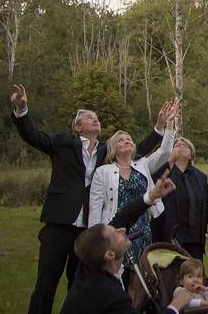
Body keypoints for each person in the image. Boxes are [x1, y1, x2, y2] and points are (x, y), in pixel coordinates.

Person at [10, 83, 168, 314]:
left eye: (96, 117)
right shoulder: (63, 143)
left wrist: (160, 126)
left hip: (87, 231)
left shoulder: (106, 150)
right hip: (60, 224)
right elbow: (34, 137)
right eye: (88, 117)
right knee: (46, 283)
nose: (95, 119)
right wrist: (22, 110)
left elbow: (138, 150)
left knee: (80, 284)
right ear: (77, 127)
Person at [60, 172, 194, 314]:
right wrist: (175, 305)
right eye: (115, 234)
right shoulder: (111, 296)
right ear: (110, 254)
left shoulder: (89, 264)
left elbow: (123, 217)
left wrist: (152, 195)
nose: (122, 230)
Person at [89, 104, 178, 285]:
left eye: (129, 139)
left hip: (142, 229)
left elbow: (165, 152)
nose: (127, 141)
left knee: (143, 280)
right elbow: (95, 208)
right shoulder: (103, 172)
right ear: (113, 149)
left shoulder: (142, 165)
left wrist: (168, 125)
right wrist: (95, 242)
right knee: (118, 278)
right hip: (116, 230)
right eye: (121, 140)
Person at [152, 136, 208, 261]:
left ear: (191, 154)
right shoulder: (164, 174)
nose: (180, 146)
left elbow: (207, 202)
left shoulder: (201, 177)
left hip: (195, 238)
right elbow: (152, 184)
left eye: (185, 145)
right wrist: (170, 161)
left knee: (195, 275)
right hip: (170, 237)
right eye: (176, 145)